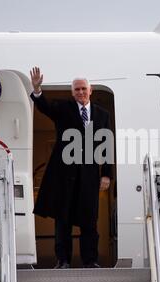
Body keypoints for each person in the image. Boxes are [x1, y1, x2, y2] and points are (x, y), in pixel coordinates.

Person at [30, 67, 112, 269]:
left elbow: (106, 145)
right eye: (77, 89)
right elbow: (45, 107)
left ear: (90, 90)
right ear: (72, 92)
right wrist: (37, 89)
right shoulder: (64, 108)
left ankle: (90, 260)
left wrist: (106, 174)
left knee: (89, 219)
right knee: (63, 219)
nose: (80, 92)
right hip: (64, 174)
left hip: (89, 175)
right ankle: (63, 260)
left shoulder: (102, 115)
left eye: (83, 88)